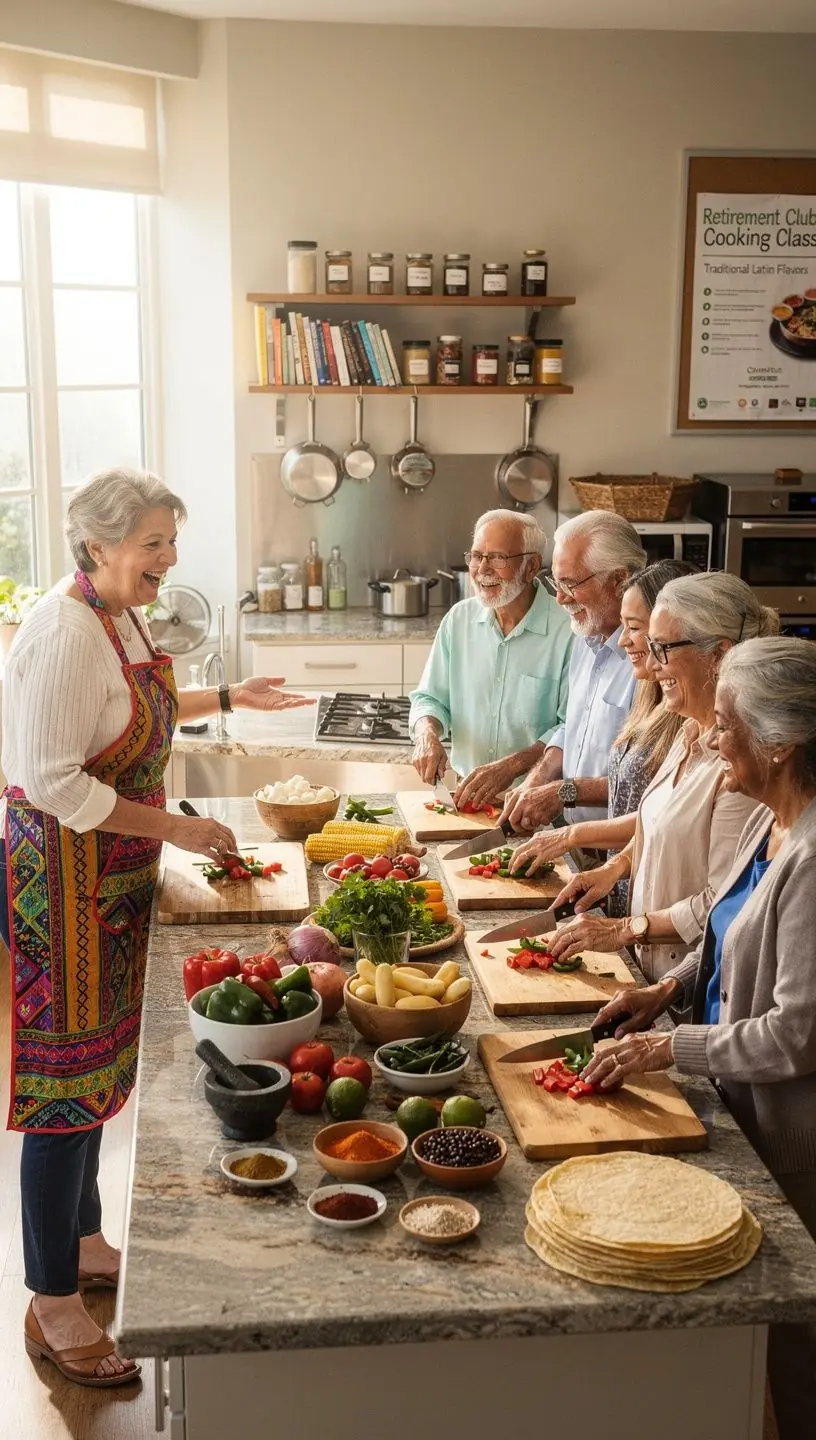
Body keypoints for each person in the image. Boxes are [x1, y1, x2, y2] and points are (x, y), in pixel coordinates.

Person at [1, 467, 312, 1389]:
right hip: (59, 881)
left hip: (110, 874)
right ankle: (50, 1301)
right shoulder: (64, 631)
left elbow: (135, 711)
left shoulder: (120, 615)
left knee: (102, 1071)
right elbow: (54, 781)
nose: (169, 559)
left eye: (172, 540)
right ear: (97, 546)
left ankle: (84, 1240)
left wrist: (230, 697)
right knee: (64, 1085)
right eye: (152, 543)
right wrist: (177, 829)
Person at [579, 637, 816, 1440]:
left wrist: (666, 1049)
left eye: (725, 726)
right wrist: (665, 990)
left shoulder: (813, 858)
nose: (711, 741)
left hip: (789, 1141)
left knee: (788, 1351)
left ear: (779, 743)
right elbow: (722, 923)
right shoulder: (773, 822)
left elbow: (794, 1035)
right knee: (737, 1356)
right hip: (734, 1105)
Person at [546, 571, 776, 981]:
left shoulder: (739, 768)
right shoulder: (687, 731)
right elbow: (660, 825)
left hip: (690, 982)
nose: (651, 665)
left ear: (719, 655)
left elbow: (723, 900)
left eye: (662, 649)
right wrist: (616, 867)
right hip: (650, 970)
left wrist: (624, 929)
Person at [509, 558, 695, 914]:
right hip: (624, 882)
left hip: (661, 902)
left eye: (635, 628)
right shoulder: (646, 691)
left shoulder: (687, 715)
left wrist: (569, 822)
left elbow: (667, 820)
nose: (624, 640)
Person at [409, 509, 573, 810]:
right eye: (476, 556)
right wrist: (427, 733)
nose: (482, 569)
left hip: (536, 806)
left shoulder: (569, 630)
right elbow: (429, 698)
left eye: (498, 558)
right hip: (465, 799)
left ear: (531, 566)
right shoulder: (459, 619)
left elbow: (570, 728)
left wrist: (512, 766)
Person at [500, 510, 646, 833]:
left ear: (619, 580)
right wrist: (537, 778)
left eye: (570, 584)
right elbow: (573, 728)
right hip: (575, 841)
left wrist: (563, 792)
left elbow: (644, 780)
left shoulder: (647, 659)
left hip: (618, 849)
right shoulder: (584, 636)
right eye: (556, 582)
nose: (560, 598)